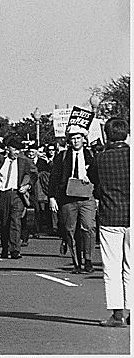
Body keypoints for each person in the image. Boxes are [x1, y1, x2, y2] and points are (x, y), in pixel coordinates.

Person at [88, 118, 130, 327]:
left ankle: (117, 314)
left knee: (112, 267)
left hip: (111, 216)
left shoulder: (100, 159)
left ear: (107, 135)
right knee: (131, 266)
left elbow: (93, 180)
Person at [49, 125, 97, 274]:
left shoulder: (91, 155)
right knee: (70, 230)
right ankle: (76, 261)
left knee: (88, 227)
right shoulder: (62, 156)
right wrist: (52, 197)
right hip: (68, 198)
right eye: (73, 139)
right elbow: (54, 178)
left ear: (84, 139)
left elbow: (98, 176)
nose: (76, 141)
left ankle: (88, 259)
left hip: (87, 196)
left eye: (78, 138)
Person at [0, 137, 37, 259]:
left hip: (17, 194)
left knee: (15, 221)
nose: (17, 152)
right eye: (14, 149)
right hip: (2, 194)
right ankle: (5, 248)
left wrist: (28, 185)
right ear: (8, 149)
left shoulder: (24, 162)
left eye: (19, 150)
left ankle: (14, 249)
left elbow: (34, 174)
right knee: (4, 222)